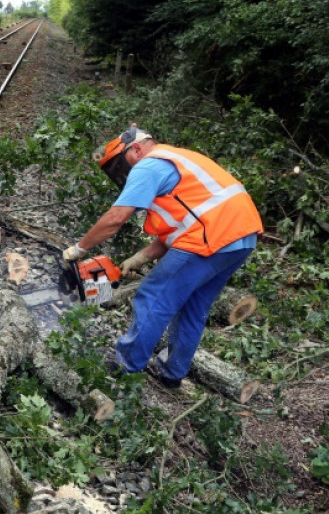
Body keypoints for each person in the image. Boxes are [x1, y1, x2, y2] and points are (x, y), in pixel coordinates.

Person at [62, 126, 262, 388]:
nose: (123, 173)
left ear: (136, 148)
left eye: (121, 165)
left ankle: (126, 367)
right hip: (239, 238)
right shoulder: (176, 159)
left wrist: (80, 248)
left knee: (153, 295)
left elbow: (115, 219)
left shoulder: (149, 165)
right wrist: (140, 257)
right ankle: (172, 372)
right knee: (193, 306)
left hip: (212, 236)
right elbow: (182, 229)